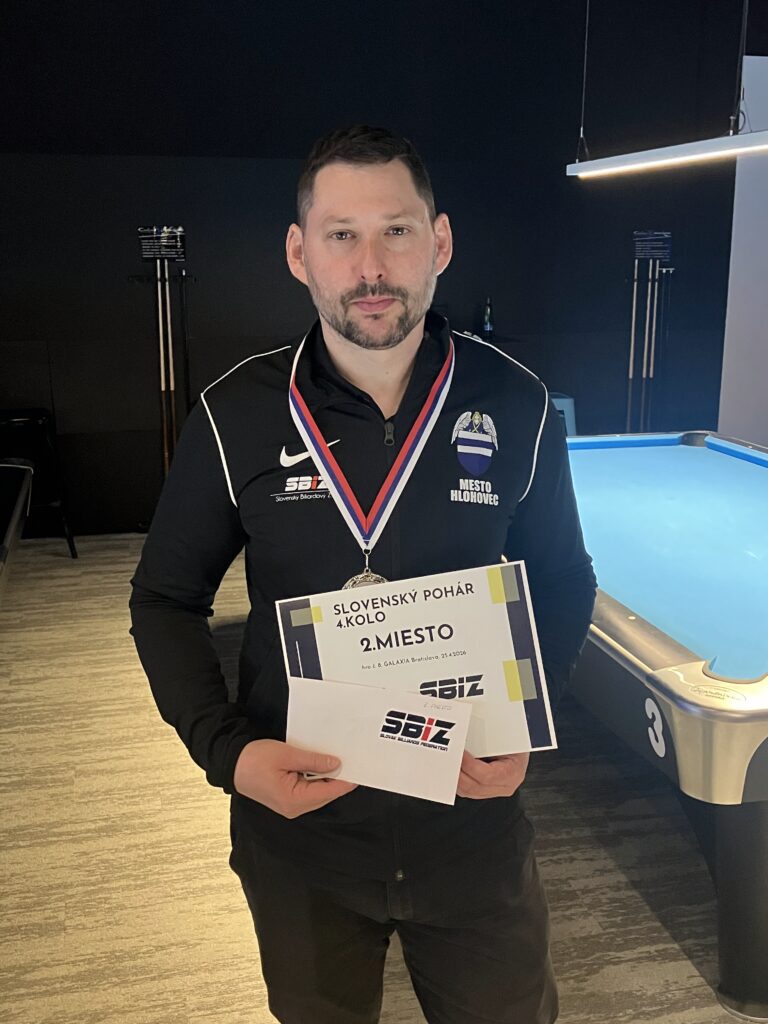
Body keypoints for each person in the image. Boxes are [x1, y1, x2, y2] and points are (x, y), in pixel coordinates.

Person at [129, 124, 597, 1024]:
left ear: (440, 243)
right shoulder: (236, 414)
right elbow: (164, 600)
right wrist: (229, 754)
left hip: (469, 824)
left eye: (398, 231)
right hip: (303, 833)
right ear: (299, 254)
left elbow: (564, 578)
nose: (372, 266)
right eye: (342, 235)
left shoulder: (516, 403)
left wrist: (531, 723)